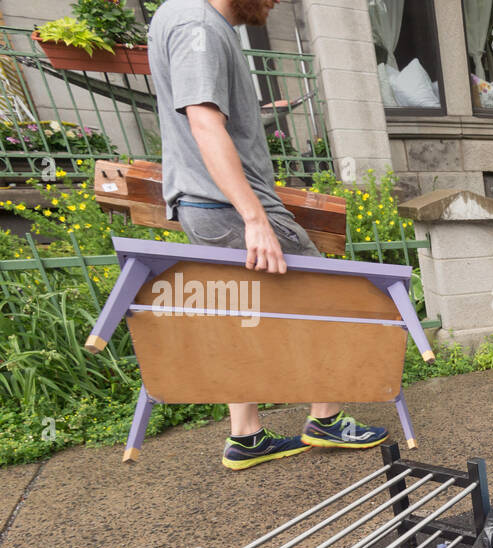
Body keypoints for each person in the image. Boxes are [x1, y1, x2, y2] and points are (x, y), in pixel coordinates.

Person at [148, 0, 388, 470]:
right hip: (229, 208)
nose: (276, 1)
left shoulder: (180, 16)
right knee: (323, 302)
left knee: (241, 317)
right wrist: (255, 218)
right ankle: (324, 418)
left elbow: (210, 115)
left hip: (206, 206)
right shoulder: (199, 24)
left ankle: (246, 436)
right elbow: (202, 119)